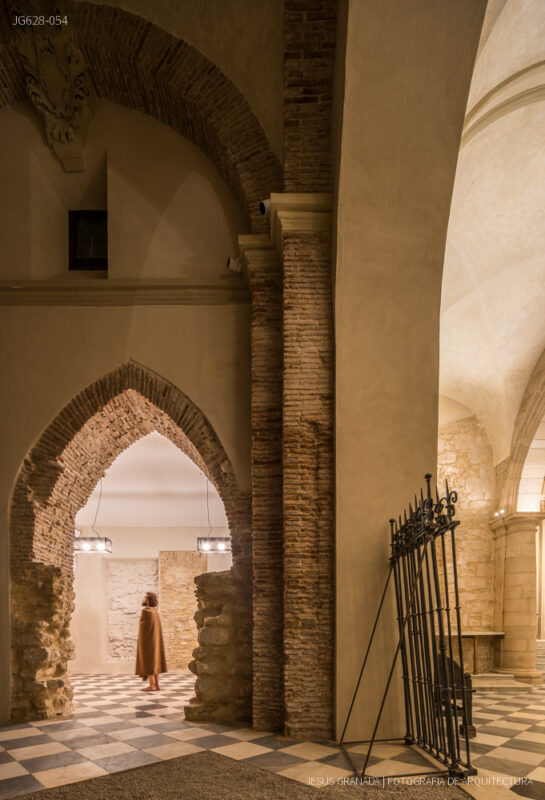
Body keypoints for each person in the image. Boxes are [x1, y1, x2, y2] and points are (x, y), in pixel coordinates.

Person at [135, 591, 167, 691]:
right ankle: (157, 684)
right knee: (155, 661)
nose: (144, 600)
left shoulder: (146, 611)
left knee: (149, 661)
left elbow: (144, 630)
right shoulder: (155, 612)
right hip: (156, 642)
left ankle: (151, 685)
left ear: (148, 601)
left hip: (148, 642)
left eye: (145, 598)